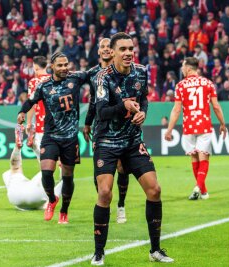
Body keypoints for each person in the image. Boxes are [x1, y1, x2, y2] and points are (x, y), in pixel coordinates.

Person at [91, 32, 173, 265]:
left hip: (132, 141)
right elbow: (101, 112)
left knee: (154, 190)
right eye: (123, 49)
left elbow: (144, 98)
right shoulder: (102, 77)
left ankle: (155, 250)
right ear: (113, 52)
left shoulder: (140, 71)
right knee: (105, 193)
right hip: (106, 141)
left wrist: (143, 112)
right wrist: (123, 105)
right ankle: (99, 252)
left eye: (131, 49)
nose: (128, 53)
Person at [17, 52, 88, 224]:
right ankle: (51, 199)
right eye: (60, 65)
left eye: (66, 65)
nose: (64, 68)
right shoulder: (44, 86)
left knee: (67, 177)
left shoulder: (76, 79)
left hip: (70, 138)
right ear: (52, 67)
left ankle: (64, 210)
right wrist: (22, 112)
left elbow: (96, 72)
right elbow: (31, 101)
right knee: (46, 172)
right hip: (51, 136)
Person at [165, 57, 227, 200]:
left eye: (183, 66)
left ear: (188, 68)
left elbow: (176, 110)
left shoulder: (180, 86)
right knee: (204, 157)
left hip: (189, 126)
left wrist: (169, 130)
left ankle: (201, 191)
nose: (181, 69)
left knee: (194, 158)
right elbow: (216, 106)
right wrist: (222, 124)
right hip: (204, 125)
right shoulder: (207, 83)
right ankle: (200, 188)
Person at [83, 38, 129, 224]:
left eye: (109, 46)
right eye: (102, 47)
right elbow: (94, 101)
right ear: (99, 52)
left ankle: (121, 205)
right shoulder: (94, 73)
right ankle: (105, 203)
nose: (106, 49)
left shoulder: (124, 71)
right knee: (99, 173)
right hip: (101, 128)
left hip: (123, 127)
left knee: (122, 168)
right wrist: (87, 123)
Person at [3, 128, 62, 211]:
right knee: (48, 170)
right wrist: (62, 168)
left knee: (12, 170)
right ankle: (33, 146)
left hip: (15, 197)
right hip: (35, 196)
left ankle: (17, 147)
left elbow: (14, 166)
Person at [25, 56, 51, 160]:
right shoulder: (54, 79)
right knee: (57, 154)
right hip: (56, 124)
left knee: (42, 155)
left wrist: (29, 123)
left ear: (35, 67)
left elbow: (31, 105)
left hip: (42, 125)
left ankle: (44, 175)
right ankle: (63, 176)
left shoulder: (34, 82)